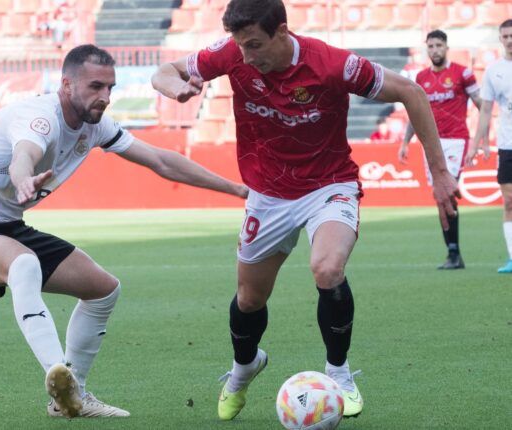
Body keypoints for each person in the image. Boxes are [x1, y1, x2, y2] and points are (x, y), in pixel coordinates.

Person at [151, 0, 458, 422]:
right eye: (241, 47)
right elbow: (164, 71)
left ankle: (340, 375)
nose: (246, 57)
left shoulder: (331, 64)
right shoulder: (231, 53)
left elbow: (411, 91)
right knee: (249, 297)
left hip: (329, 184)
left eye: (255, 45)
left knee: (327, 268)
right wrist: (174, 87)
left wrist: (439, 173)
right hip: (268, 194)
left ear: (282, 33)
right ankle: (244, 369)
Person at [0, 44, 248, 419]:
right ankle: (57, 372)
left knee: (102, 289)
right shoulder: (40, 118)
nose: (105, 97)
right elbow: (24, 156)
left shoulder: (96, 126)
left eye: (111, 88)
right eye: (95, 86)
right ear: (66, 85)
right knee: (24, 264)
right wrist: (22, 181)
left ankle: (70, 399)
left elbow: (162, 161)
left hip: (6, 227)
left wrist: (238, 190)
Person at [398, 30, 482, 270]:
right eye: (431, 46)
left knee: (446, 191)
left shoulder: (462, 73)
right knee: (439, 197)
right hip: (431, 143)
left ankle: (454, 253)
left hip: (456, 140)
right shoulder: (421, 78)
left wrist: (482, 139)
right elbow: (416, 114)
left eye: (438, 45)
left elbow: (480, 105)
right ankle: (453, 253)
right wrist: (405, 142)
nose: (434, 50)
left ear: (446, 47)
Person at [466, 20, 512, 273]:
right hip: (507, 145)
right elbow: (485, 110)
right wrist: (476, 144)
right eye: (505, 36)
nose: (509, 40)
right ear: (500, 39)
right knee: (508, 202)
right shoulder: (494, 71)